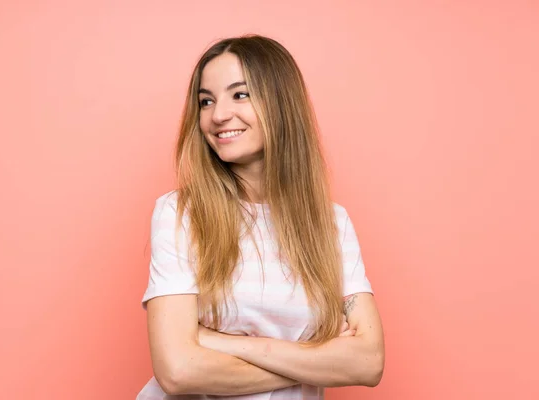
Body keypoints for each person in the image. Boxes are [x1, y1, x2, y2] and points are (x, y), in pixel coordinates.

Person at [136, 34, 385, 400]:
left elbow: (368, 362)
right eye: (206, 101)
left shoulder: (332, 225)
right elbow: (178, 370)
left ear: (281, 104)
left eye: (240, 94)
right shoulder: (180, 214)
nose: (218, 115)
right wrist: (316, 364)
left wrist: (220, 342)